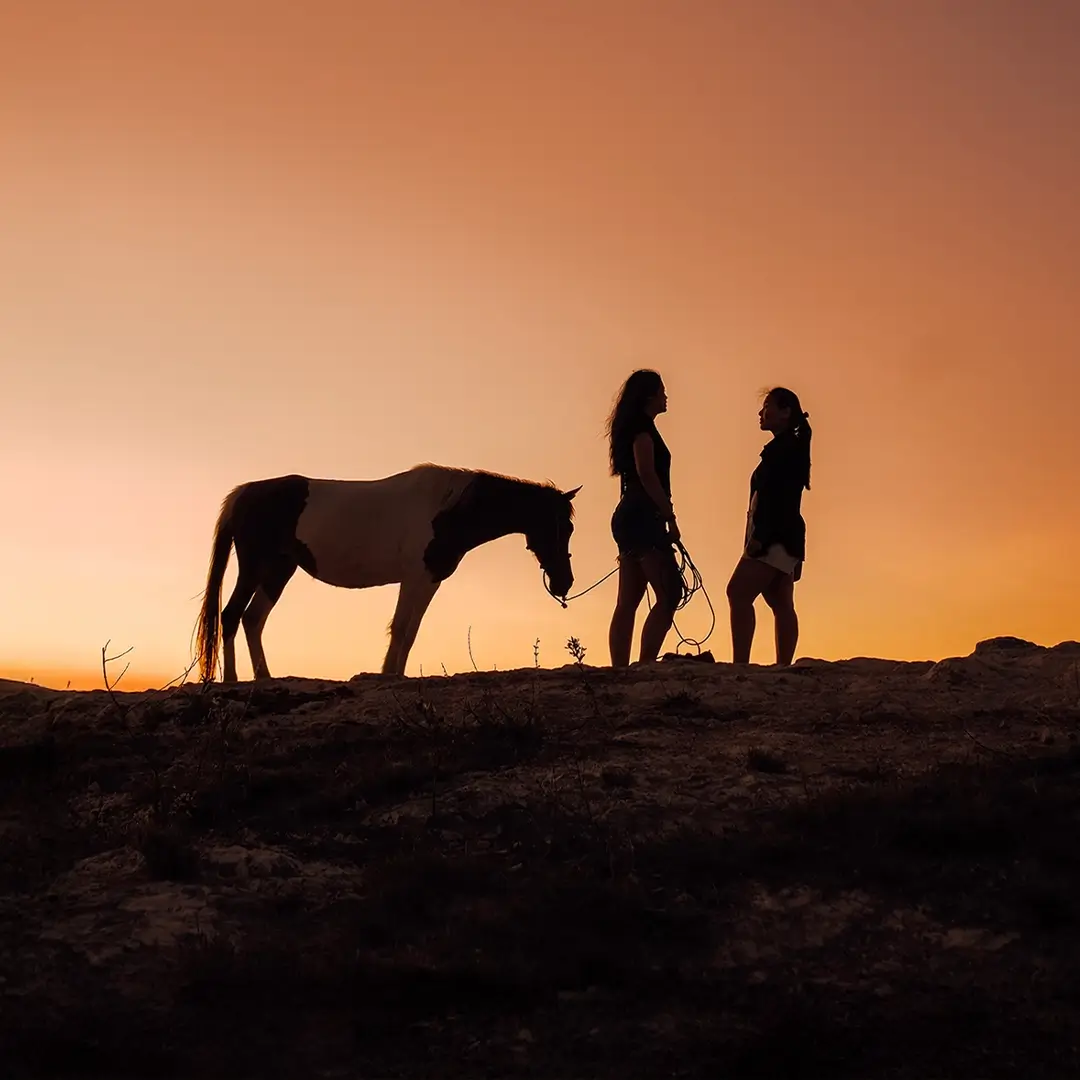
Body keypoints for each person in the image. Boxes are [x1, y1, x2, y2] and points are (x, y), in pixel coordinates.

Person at [726, 386, 812, 666]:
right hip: (785, 536)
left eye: (767, 407)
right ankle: (783, 664)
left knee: (738, 593)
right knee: (780, 602)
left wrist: (760, 538)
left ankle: (742, 664)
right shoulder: (788, 449)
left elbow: (777, 501)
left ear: (785, 412)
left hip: (774, 537)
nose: (761, 413)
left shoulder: (783, 451)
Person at [606, 369, 684, 666]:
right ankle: (645, 665)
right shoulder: (642, 431)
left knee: (628, 600)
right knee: (669, 593)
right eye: (662, 391)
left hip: (629, 516)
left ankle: (620, 669)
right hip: (643, 517)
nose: (666, 396)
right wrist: (669, 514)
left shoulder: (633, 428)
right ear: (650, 396)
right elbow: (647, 473)